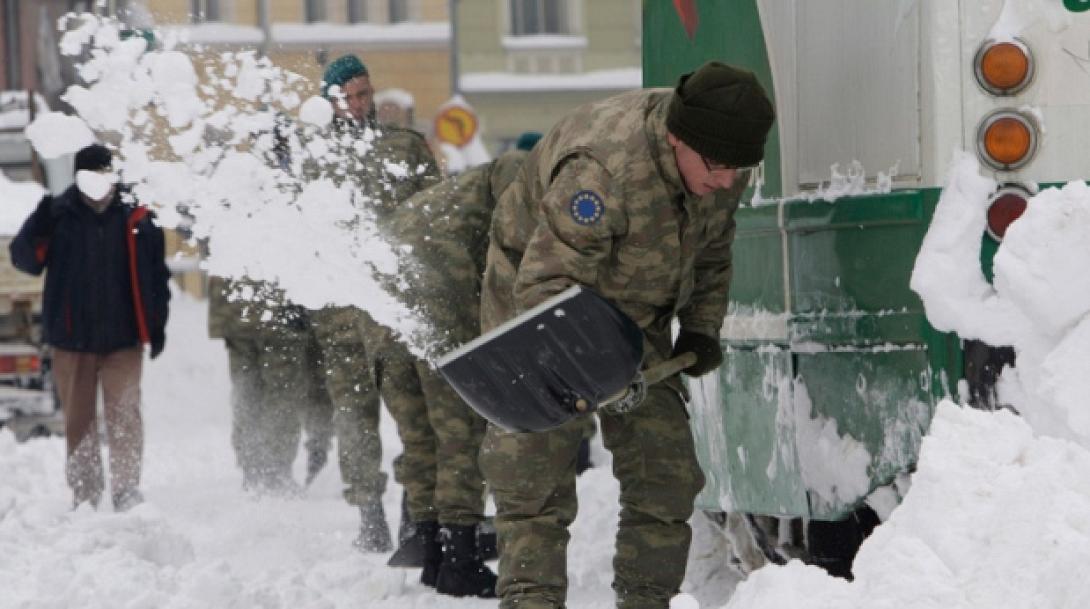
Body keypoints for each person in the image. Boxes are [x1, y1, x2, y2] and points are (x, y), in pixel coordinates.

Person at [477, 62, 775, 609]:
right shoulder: (604, 169)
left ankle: (646, 600)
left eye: (741, 168)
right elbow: (546, 282)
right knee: (534, 470)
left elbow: (713, 249)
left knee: (667, 471)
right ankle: (531, 599)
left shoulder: (720, 163)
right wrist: (593, 375)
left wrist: (702, 328)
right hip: (537, 303)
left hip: (637, 309)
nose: (728, 181)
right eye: (718, 166)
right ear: (676, 138)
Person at [379, 138, 543, 597]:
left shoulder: (458, 191)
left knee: (420, 435)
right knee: (461, 429)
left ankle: (431, 550)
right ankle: (460, 561)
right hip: (434, 299)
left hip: (381, 309)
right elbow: (513, 260)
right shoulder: (521, 173)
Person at [307, 54, 441, 552]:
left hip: (394, 311)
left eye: (365, 94)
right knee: (353, 416)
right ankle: (368, 513)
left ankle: (416, 510)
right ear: (330, 102)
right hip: (340, 314)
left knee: (414, 416)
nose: (358, 104)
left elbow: (436, 216)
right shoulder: (313, 158)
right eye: (347, 96)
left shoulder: (405, 149)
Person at [10, 143, 171, 511]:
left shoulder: (137, 218)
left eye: (103, 175)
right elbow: (24, 258)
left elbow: (157, 278)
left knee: (125, 415)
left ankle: (127, 489)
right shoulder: (58, 212)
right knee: (79, 421)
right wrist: (41, 222)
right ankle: (85, 494)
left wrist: (157, 325)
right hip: (72, 341)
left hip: (123, 340)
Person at [207, 276, 330, 495]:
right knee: (282, 391)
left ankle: (252, 469)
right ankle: (275, 470)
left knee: (247, 390)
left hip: (234, 305)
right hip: (279, 305)